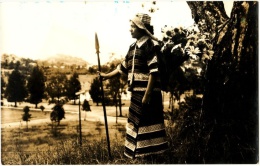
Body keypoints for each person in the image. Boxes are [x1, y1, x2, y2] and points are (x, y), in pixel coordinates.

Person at [99, 13, 168, 159]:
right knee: (136, 123)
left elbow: (154, 72)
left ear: (141, 28)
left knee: (148, 122)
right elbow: (122, 68)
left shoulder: (150, 45)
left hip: (149, 94)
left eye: (132, 26)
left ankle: (152, 155)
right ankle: (139, 155)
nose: (130, 29)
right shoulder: (132, 47)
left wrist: (147, 95)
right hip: (137, 93)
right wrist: (105, 76)